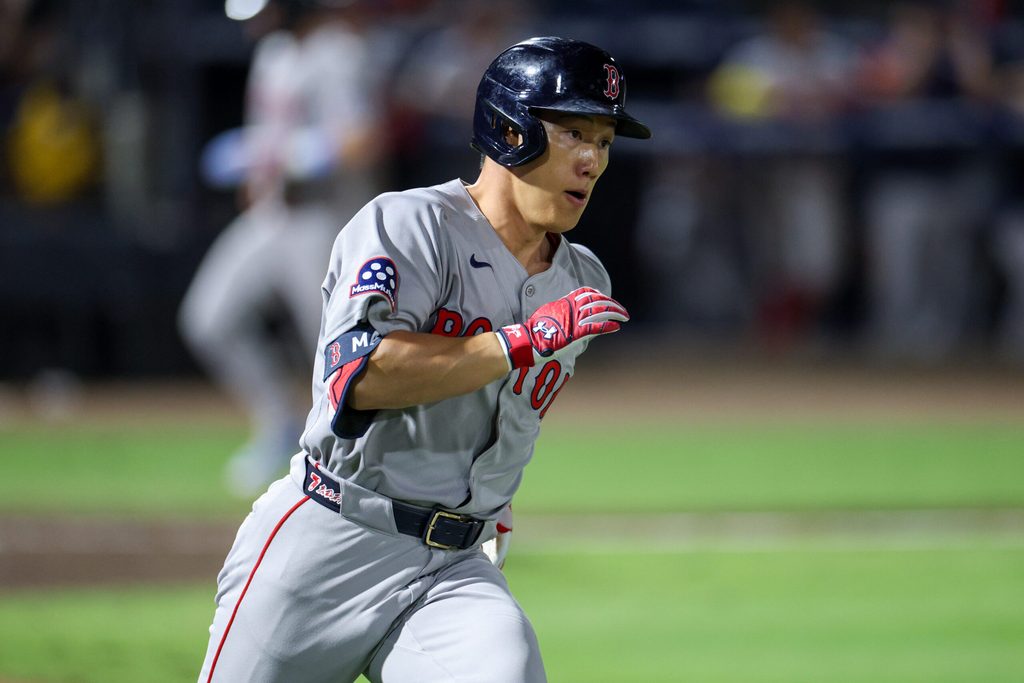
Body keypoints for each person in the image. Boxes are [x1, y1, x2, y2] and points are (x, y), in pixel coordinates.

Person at [197, 36, 650, 682]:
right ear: (509, 127)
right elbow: (361, 376)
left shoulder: (583, 283)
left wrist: (492, 488)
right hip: (331, 540)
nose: (592, 160)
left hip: (454, 569)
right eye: (575, 131)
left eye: (603, 141)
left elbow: (511, 414)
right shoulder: (409, 226)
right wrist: (516, 341)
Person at [179, 0, 390, 496]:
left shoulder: (338, 52)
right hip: (272, 217)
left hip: (325, 221)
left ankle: (371, 465)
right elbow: (266, 146)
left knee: (337, 352)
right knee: (208, 319)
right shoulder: (274, 53)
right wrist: (256, 165)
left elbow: (365, 138)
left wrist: (297, 154)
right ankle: (278, 422)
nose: (256, 21)